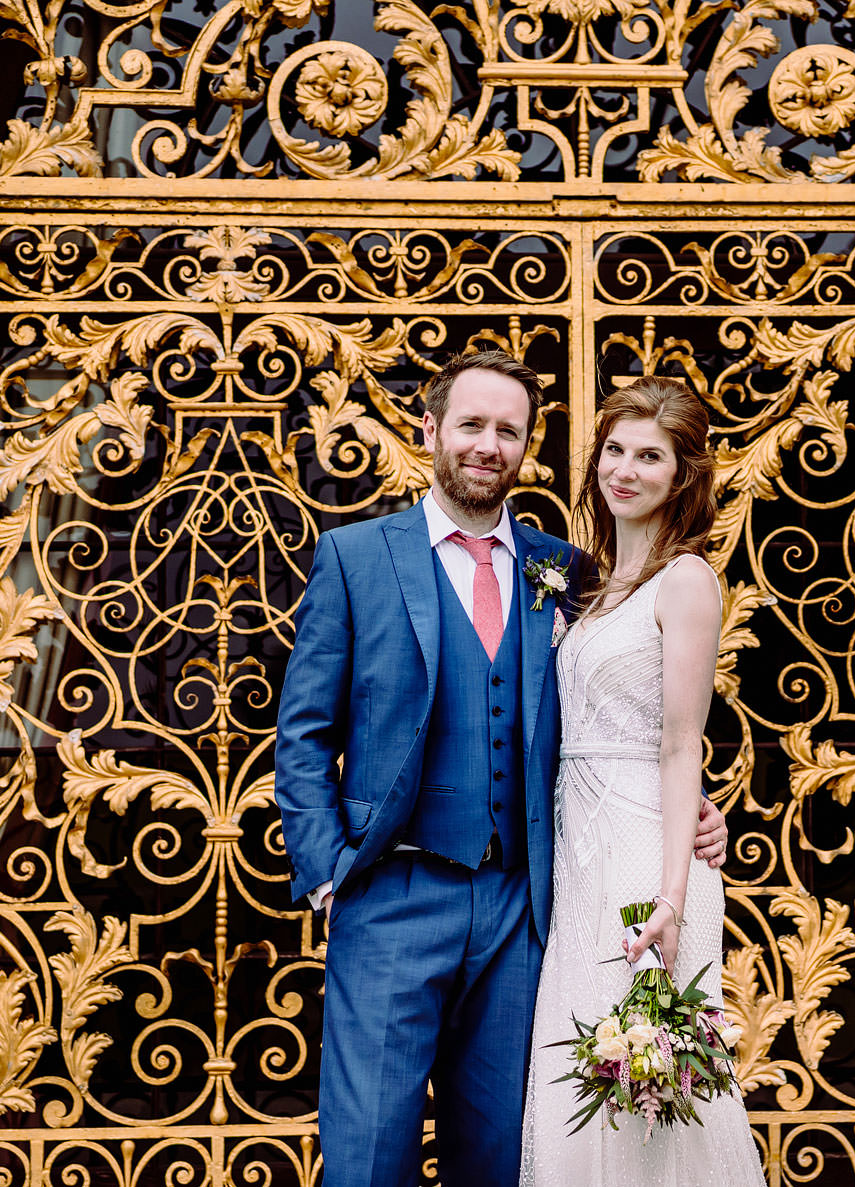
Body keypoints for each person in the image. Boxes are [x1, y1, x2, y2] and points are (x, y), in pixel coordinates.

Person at [274, 351, 730, 1187]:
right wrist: (325, 873)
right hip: (390, 896)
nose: (488, 445)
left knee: (503, 1158)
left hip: (527, 911)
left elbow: (632, 709)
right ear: (431, 431)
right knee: (367, 1159)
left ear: (528, 446)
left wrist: (697, 805)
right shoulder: (356, 558)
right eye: (472, 425)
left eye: (508, 431)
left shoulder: (564, 570)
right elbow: (302, 732)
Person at [519, 375, 766, 1186]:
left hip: (640, 856)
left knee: (649, 1095)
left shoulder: (686, 579)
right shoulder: (587, 585)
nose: (625, 470)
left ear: (682, 474)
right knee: (579, 1077)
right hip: (576, 851)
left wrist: (671, 896)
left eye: (650, 456)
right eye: (615, 450)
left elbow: (679, 742)